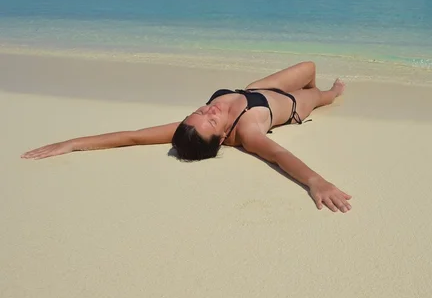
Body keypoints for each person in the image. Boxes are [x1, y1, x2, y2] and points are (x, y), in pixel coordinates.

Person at [21, 61, 352, 213]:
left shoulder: (188, 131)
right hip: (290, 107)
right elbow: (279, 156)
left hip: (256, 90)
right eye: (212, 118)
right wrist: (316, 182)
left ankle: (311, 86)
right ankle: (331, 93)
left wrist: (72, 143)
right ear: (223, 137)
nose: (209, 110)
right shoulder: (249, 132)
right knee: (320, 93)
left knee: (308, 66)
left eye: (201, 110)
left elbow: (133, 137)